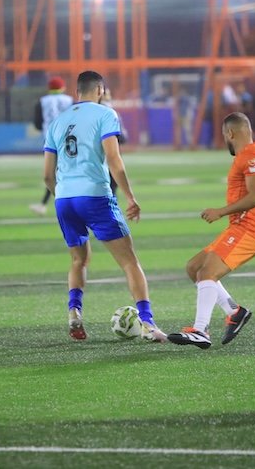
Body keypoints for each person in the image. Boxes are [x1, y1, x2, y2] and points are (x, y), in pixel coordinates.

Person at [43, 70, 166, 342]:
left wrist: (62, 195)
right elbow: (114, 158)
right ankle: (148, 323)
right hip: (95, 196)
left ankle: (74, 312)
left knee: (79, 260)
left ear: (77, 92)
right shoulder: (106, 114)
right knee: (129, 262)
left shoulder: (58, 121)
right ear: (100, 90)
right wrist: (130, 196)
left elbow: (47, 176)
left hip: (64, 200)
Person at [168, 112, 255, 350]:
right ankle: (234, 311)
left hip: (247, 229)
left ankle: (200, 330)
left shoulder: (251, 157)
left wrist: (220, 211)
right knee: (194, 268)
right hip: (245, 228)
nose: (224, 141)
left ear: (230, 133)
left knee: (207, 272)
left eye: (224, 136)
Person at [30, 76, 73, 215]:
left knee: (52, 175)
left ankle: (53, 204)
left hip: (50, 141)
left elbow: (37, 124)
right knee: (68, 172)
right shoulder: (70, 100)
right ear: (62, 87)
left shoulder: (42, 101)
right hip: (69, 139)